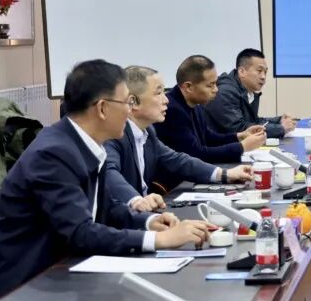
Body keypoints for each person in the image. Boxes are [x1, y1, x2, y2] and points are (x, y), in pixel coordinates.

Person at [0, 60, 209, 301]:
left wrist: (149, 222)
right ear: (102, 108)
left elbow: (106, 209)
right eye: (127, 102)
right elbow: (80, 232)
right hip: (20, 291)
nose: (130, 110)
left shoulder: (87, 144)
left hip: (62, 274)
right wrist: (159, 240)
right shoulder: (53, 153)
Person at [105, 66, 254, 213]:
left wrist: (224, 174)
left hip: (145, 214)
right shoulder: (113, 135)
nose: (166, 100)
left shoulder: (148, 131)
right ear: (133, 102)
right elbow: (109, 172)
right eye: (158, 93)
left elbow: (177, 160)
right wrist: (136, 200)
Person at [153, 55, 267, 164]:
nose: (216, 90)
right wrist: (242, 147)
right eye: (210, 85)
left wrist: (240, 136)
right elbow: (196, 155)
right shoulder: (172, 110)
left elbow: (208, 137)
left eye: (215, 83)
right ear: (188, 87)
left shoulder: (195, 104)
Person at [205, 48, 297, 137]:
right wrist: (281, 128)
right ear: (241, 71)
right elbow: (240, 129)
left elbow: (253, 121)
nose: (263, 77)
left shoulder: (247, 92)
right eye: (259, 71)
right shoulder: (225, 92)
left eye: (265, 72)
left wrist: (279, 120)